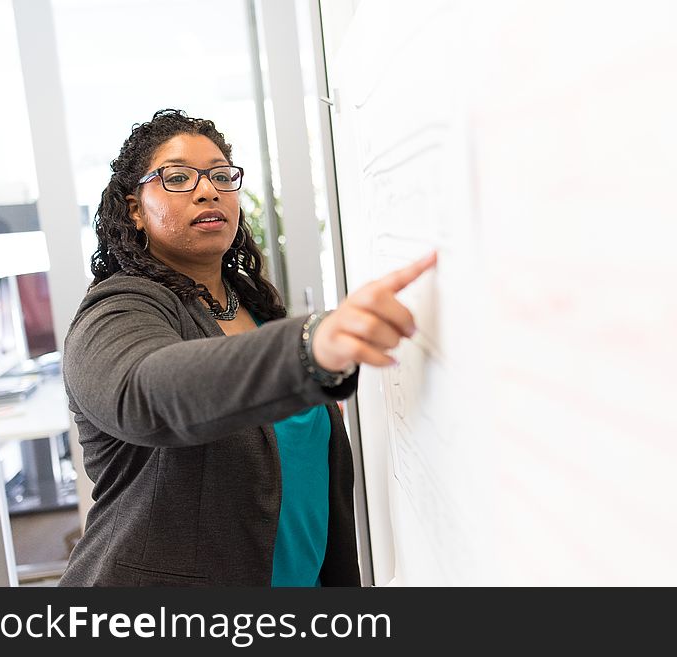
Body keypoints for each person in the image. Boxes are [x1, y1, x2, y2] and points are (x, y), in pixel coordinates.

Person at [58, 109, 436, 586]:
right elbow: (144, 392)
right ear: (134, 208)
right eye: (178, 177)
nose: (207, 189)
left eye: (221, 175)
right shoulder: (117, 310)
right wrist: (310, 344)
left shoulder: (258, 309)